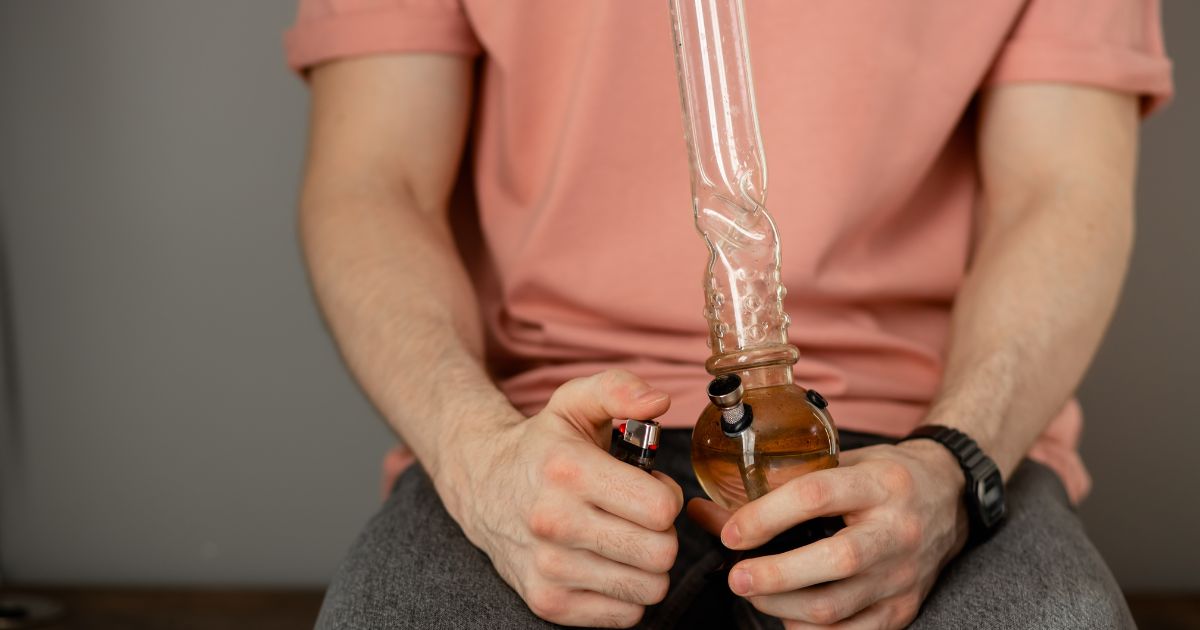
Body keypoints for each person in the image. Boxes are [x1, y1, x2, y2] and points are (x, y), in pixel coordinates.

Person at [285, 1, 1172, 628]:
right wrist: (477, 461)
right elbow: (376, 183)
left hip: (921, 446)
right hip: (537, 448)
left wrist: (954, 465)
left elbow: (1061, 193)